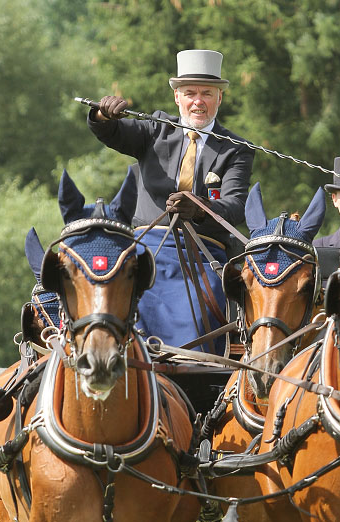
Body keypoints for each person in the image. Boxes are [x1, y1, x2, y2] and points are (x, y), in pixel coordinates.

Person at [87, 49, 254, 354]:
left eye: (207, 93)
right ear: (177, 97)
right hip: (146, 249)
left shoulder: (236, 150)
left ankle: (196, 370)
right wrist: (103, 115)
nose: (198, 101)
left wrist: (200, 208)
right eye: (190, 93)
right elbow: (112, 132)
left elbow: (234, 206)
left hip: (202, 256)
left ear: (219, 99)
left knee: (205, 302)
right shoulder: (154, 129)